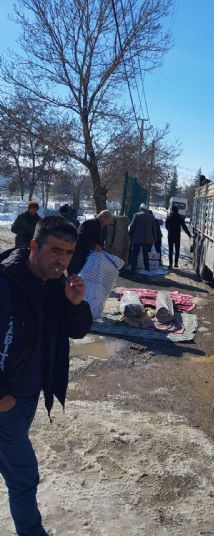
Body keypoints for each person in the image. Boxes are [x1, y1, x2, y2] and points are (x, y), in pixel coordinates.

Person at [0, 215, 92, 536]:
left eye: (68, 253)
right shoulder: (6, 282)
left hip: (26, 396)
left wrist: (75, 304)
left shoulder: (55, 284)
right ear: (35, 246)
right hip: (6, 401)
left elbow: (77, 330)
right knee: (24, 478)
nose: (62, 260)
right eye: (55, 250)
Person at [67, 209, 113, 274]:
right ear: (102, 217)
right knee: (74, 276)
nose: (108, 223)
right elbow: (80, 237)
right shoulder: (90, 223)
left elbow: (100, 242)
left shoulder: (104, 227)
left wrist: (102, 250)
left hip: (89, 257)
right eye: (108, 221)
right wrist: (94, 245)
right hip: (79, 255)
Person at [128, 204, 157, 273]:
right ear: (146, 209)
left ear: (140, 209)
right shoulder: (151, 217)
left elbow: (132, 227)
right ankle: (147, 268)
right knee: (146, 254)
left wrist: (130, 235)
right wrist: (154, 238)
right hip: (147, 239)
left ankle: (133, 269)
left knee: (135, 254)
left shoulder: (137, 215)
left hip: (137, 239)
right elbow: (154, 229)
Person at [165, 205, 192, 269]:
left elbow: (166, 226)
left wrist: (169, 230)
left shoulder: (169, 217)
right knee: (177, 250)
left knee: (170, 250)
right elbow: (184, 227)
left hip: (170, 235)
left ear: (172, 210)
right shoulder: (180, 217)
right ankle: (176, 263)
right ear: (177, 210)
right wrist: (189, 234)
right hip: (177, 236)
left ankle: (170, 264)